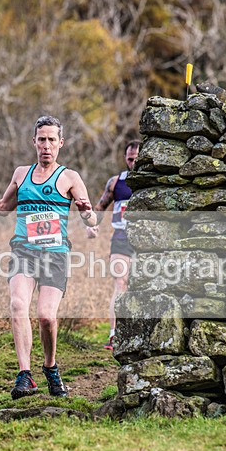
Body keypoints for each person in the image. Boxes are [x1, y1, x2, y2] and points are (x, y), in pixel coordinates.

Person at [0, 115, 98, 399]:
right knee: (17, 305)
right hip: (23, 251)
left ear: (61, 143)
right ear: (34, 142)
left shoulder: (70, 177)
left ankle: (50, 367)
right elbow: (2, 207)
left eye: (52, 140)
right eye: (42, 140)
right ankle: (25, 375)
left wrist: (86, 213)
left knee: (46, 317)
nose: (46, 145)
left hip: (55, 254)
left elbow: (91, 219)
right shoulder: (21, 174)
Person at [86, 139, 140, 351]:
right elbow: (100, 207)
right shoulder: (116, 182)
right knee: (120, 282)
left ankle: (138, 333)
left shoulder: (152, 182)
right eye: (130, 159)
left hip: (145, 240)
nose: (133, 163)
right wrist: (92, 225)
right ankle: (113, 334)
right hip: (121, 238)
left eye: (137, 159)